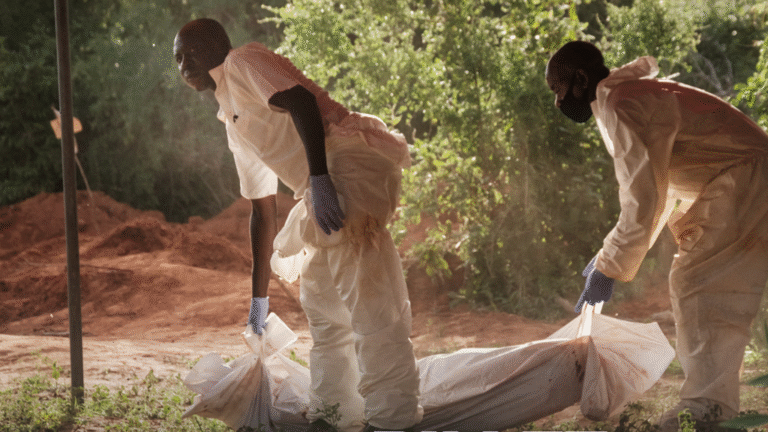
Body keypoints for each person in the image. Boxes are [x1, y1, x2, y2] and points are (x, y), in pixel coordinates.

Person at [173, 18, 422, 432]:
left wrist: (321, 180)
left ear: (217, 45)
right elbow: (262, 209)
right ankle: (336, 414)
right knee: (323, 304)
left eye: (192, 52)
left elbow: (302, 102)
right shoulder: (230, 114)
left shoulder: (242, 61)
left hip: (344, 160)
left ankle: (392, 421)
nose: (184, 64)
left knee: (369, 302)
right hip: (318, 182)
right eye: (177, 58)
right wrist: (258, 303)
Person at [546, 41, 768, 431]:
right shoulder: (629, 97)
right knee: (702, 283)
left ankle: (706, 411)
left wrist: (611, 266)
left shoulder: (620, 103)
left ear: (581, 79)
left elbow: (643, 199)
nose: (558, 102)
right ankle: (709, 407)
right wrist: (608, 259)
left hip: (746, 176)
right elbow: (660, 191)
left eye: (558, 89)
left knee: (700, 284)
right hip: (747, 174)